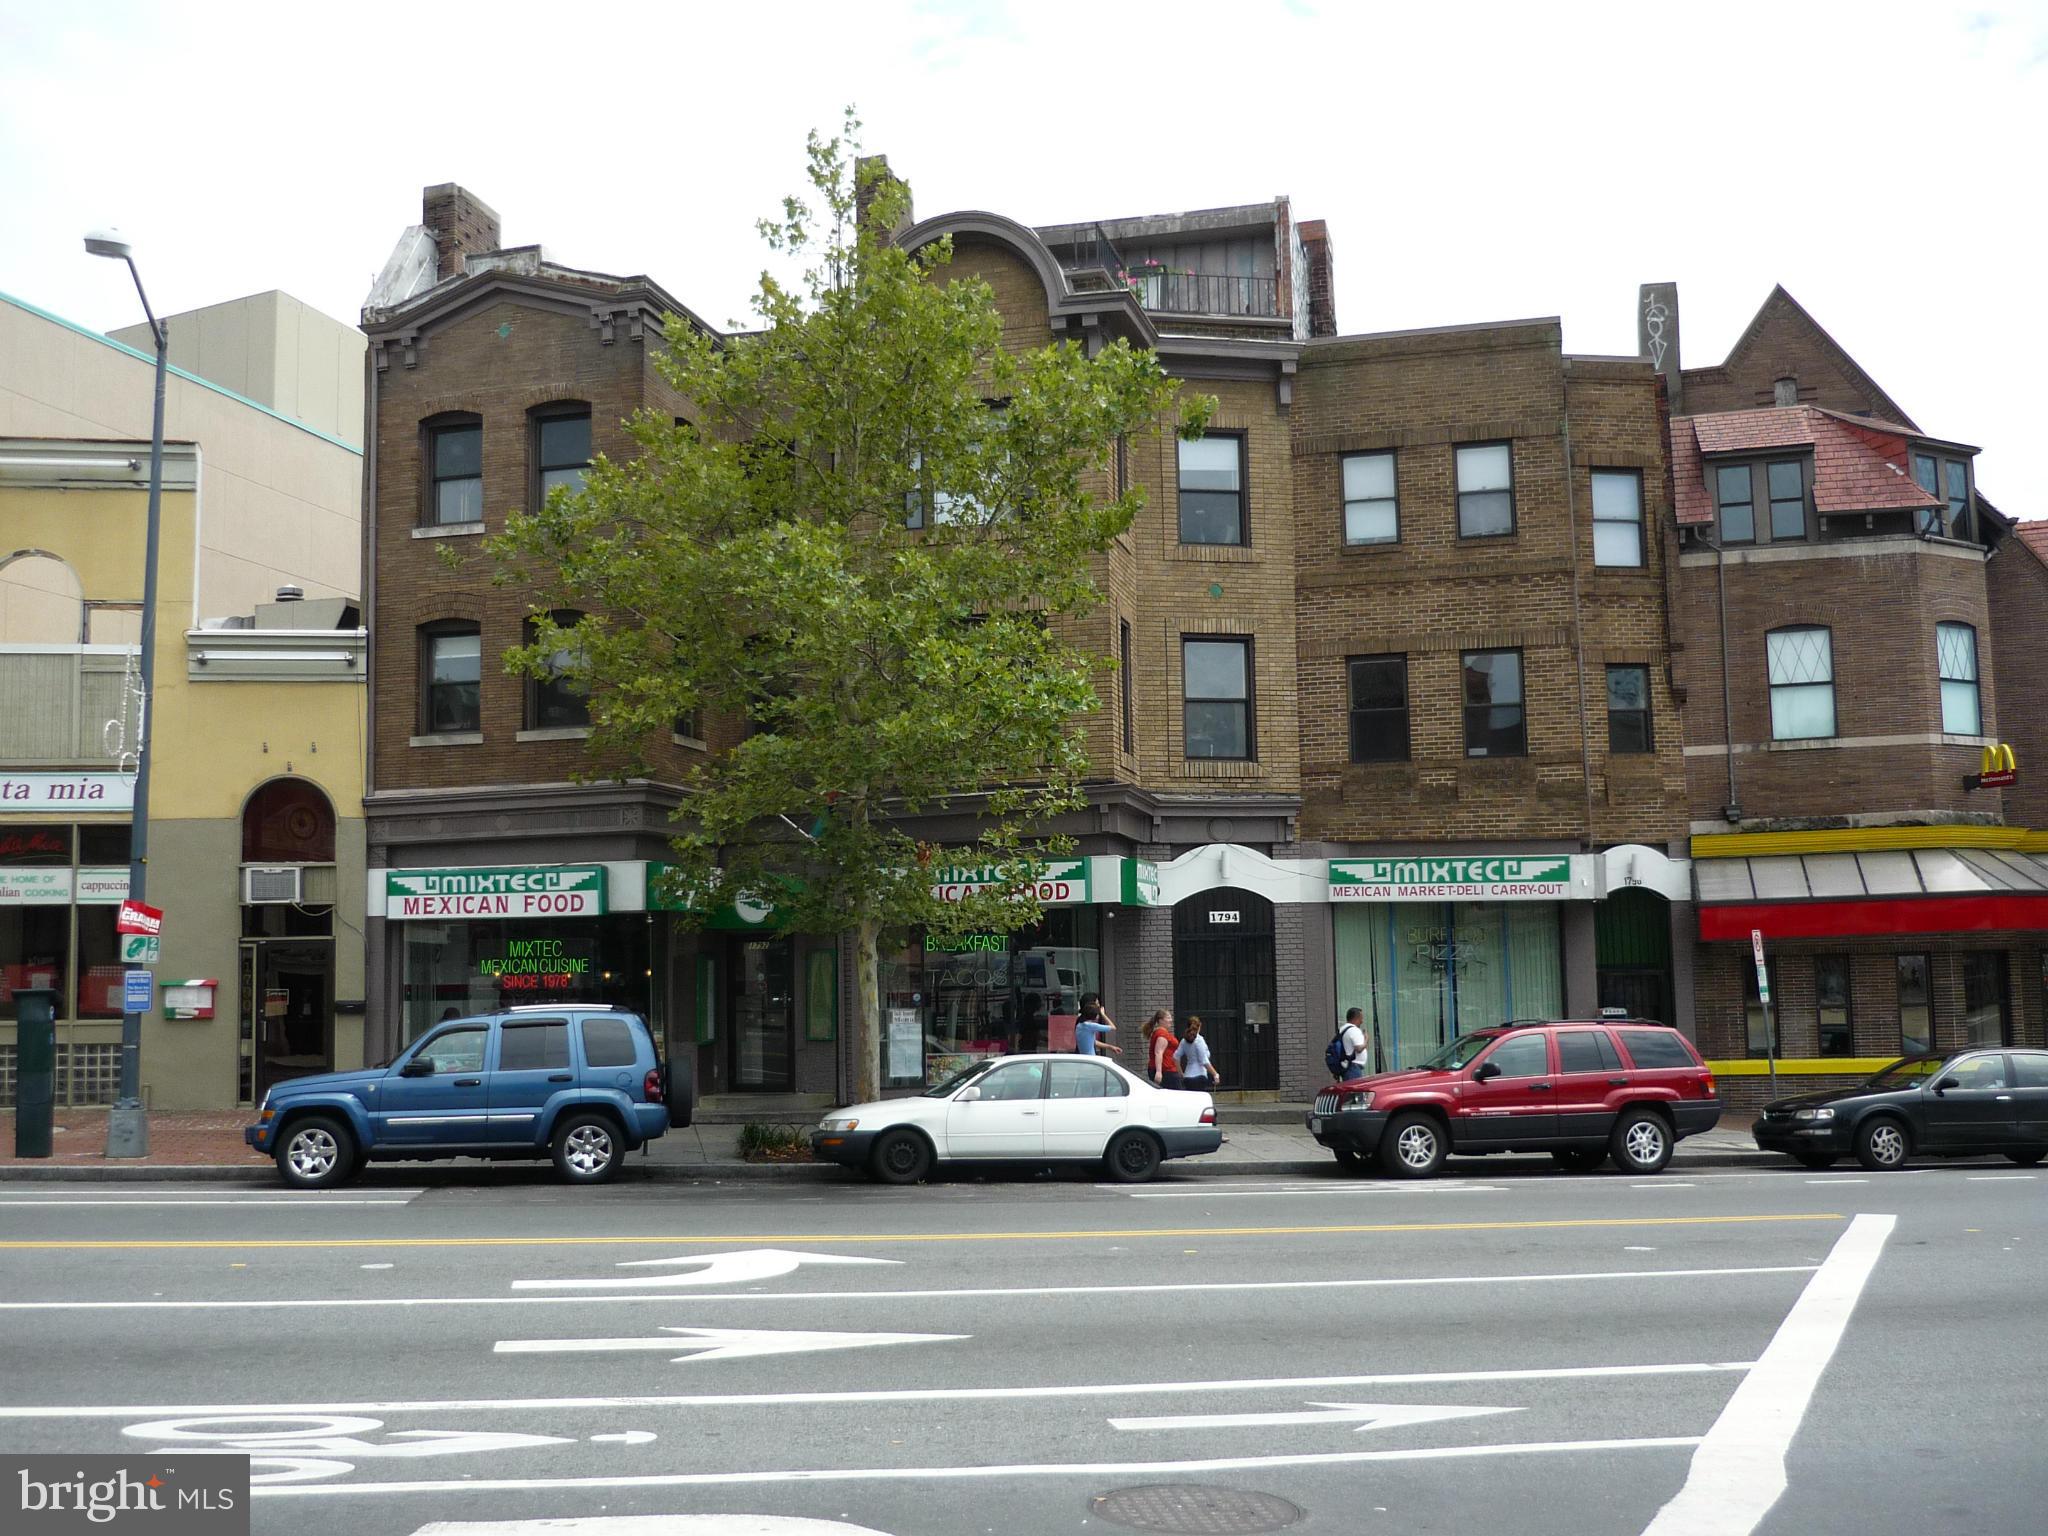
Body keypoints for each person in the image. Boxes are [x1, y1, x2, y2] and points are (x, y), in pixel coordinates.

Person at [1176, 1015, 1220, 1089]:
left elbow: (1175, 1057)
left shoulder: (1183, 1041)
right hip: (1199, 1076)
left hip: (1187, 1077)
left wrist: (1181, 1073)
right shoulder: (1199, 1040)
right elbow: (1204, 1060)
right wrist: (1215, 1074)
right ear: (1199, 1027)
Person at [1073, 993, 1121, 1057]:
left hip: (1084, 1058)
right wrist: (1103, 1014)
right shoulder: (1091, 1026)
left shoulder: (1080, 1024)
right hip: (1091, 1058)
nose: (1099, 1006)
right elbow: (1113, 1027)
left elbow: (1091, 1041)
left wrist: (1110, 1047)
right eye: (1097, 1003)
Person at [1142, 1009, 1180, 1087]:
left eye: (1171, 1017)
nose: (1171, 1020)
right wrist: (1159, 1072)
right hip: (1166, 1070)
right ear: (1160, 1020)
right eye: (1168, 1018)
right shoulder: (1162, 1034)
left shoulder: (1162, 1033)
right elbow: (1158, 1052)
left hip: (1167, 1070)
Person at [1339, 1006, 1371, 1081]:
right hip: (1353, 1067)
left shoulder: (1343, 1029)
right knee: (1355, 1092)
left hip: (1347, 1066)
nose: (1362, 1021)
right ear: (1356, 1018)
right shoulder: (1353, 1030)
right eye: (1361, 1018)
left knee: (1349, 1091)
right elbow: (1359, 1049)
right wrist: (1366, 1038)